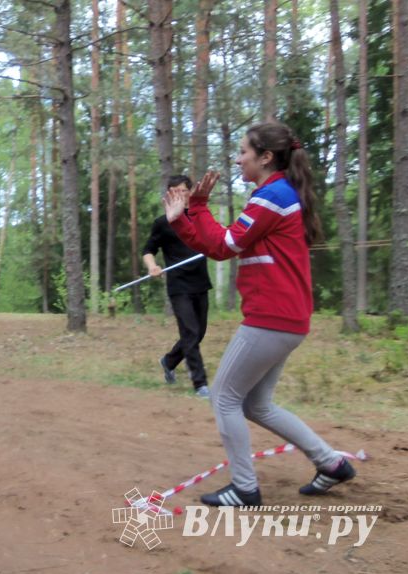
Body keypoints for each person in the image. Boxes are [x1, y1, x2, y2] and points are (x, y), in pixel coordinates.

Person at [163, 122, 356, 507]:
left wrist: (183, 217)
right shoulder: (274, 194)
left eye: (243, 153)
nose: (237, 160)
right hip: (286, 317)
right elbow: (222, 244)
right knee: (256, 404)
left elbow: (224, 244)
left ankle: (245, 488)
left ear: (265, 157)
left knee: (223, 397)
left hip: (271, 317)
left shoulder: (272, 196)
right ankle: (331, 463)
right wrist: (195, 211)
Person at [143, 175, 212, 399]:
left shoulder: (200, 217)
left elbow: (215, 239)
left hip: (200, 282)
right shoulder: (163, 223)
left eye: (182, 191)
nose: (178, 196)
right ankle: (200, 384)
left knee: (198, 332)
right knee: (190, 332)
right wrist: (152, 266)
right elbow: (148, 250)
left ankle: (169, 361)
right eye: (173, 192)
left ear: (190, 193)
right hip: (178, 285)